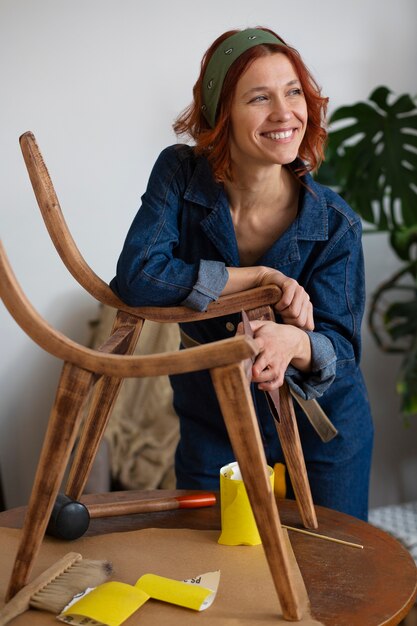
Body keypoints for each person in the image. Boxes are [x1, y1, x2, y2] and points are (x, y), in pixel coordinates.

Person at [110, 27, 374, 520]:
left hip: (324, 429)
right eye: (260, 97)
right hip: (214, 422)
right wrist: (254, 277)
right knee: (212, 569)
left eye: (293, 92)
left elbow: (341, 344)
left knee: (334, 576)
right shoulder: (179, 175)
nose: (284, 113)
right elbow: (138, 275)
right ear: (220, 113)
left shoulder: (335, 224)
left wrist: (292, 343)